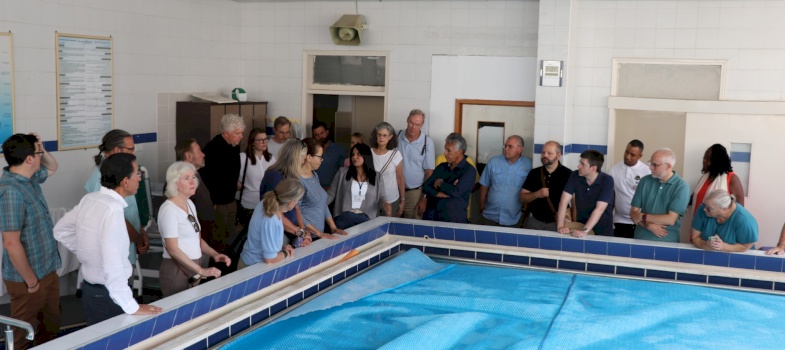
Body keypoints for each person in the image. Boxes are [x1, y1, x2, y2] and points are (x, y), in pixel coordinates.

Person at [54, 154, 162, 325]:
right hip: (110, 296)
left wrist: (89, 252)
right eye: (137, 174)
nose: (139, 179)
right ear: (125, 181)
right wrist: (131, 306)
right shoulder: (113, 210)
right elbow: (113, 264)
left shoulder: (90, 199)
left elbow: (60, 230)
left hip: (91, 291)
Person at [0, 133, 60, 349]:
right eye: (38, 153)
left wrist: (40, 147)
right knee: (24, 335)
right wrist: (31, 281)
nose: (41, 156)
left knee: (50, 329)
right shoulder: (11, 191)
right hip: (28, 279)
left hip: (47, 270)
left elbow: (53, 167)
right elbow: (11, 243)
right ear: (28, 159)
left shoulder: (29, 179)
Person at [158, 162, 231, 297]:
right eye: (186, 178)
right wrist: (201, 270)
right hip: (177, 269)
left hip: (193, 267)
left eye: (193, 177)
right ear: (175, 184)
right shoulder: (169, 210)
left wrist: (214, 254)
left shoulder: (189, 203)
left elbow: (196, 237)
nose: (193, 182)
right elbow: (172, 249)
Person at [85, 129, 150, 263]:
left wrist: (141, 232)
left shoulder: (120, 173)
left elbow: (129, 211)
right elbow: (117, 217)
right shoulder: (101, 178)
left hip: (128, 246)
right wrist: (138, 239)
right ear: (116, 150)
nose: (134, 153)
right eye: (130, 149)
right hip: (113, 254)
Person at [199, 114, 246, 251]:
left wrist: (236, 182)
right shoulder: (212, 149)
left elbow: (230, 171)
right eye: (237, 133)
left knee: (230, 236)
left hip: (230, 199)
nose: (241, 137)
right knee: (218, 238)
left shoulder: (234, 146)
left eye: (241, 133)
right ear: (226, 133)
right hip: (217, 203)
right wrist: (211, 203)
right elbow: (207, 179)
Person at [629, 148, 690, 243]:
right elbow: (633, 213)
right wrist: (648, 226)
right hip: (640, 240)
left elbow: (670, 219)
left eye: (655, 165)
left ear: (668, 166)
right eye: (650, 163)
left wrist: (643, 217)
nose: (650, 168)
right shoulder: (644, 181)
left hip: (667, 243)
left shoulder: (681, 187)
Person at [240, 179, 305, 267]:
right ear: (291, 202)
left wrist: (281, 249)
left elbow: (265, 240)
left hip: (251, 262)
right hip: (253, 267)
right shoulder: (271, 219)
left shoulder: (267, 203)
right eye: (298, 200)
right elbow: (270, 259)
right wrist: (286, 253)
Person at [328, 144, 391, 229]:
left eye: (358, 154)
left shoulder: (377, 176)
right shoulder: (342, 172)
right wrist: (319, 207)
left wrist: (385, 204)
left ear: (366, 156)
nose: (354, 157)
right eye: (353, 154)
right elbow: (331, 194)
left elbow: (382, 196)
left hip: (366, 219)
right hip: (344, 217)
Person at [259, 139, 310, 246]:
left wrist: (303, 232)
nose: (303, 162)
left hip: (291, 232)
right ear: (296, 158)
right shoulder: (275, 176)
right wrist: (299, 232)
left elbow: (296, 207)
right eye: (302, 159)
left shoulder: (290, 175)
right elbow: (275, 211)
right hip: (279, 232)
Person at [557, 150, 614, 237]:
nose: (578, 166)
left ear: (593, 168)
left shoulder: (607, 180)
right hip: (580, 226)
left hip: (602, 231)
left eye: (582, 164)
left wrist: (585, 231)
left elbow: (600, 209)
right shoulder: (575, 175)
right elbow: (563, 202)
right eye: (580, 162)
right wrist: (560, 226)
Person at [422, 133, 477, 223]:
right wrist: (442, 193)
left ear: (459, 152)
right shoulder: (442, 167)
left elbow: (455, 192)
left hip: (453, 221)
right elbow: (426, 187)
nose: (445, 153)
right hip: (431, 218)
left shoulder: (469, 171)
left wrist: (439, 183)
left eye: (448, 150)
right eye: (445, 149)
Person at [478, 135, 532, 227]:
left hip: (513, 218)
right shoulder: (494, 162)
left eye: (510, 146)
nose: (506, 149)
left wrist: (524, 212)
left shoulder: (528, 165)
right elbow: (484, 185)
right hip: (489, 216)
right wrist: (482, 207)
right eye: (505, 146)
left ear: (520, 149)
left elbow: (529, 190)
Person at [300, 138, 347, 239]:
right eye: (319, 156)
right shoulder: (298, 181)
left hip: (319, 235)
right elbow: (296, 214)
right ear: (309, 157)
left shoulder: (314, 175)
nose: (322, 160)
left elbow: (322, 203)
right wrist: (318, 233)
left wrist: (333, 228)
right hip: (307, 239)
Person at [520, 141, 572, 231]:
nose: (545, 155)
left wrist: (574, 222)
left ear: (558, 155)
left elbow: (574, 202)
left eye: (549, 153)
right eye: (543, 152)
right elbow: (522, 197)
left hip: (558, 224)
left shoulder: (568, 174)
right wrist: (537, 194)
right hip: (534, 221)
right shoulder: (534, 173)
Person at [175, 139, 216, 247]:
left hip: (203, 238)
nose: (203, 154)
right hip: (192, 242)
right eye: (199, 151)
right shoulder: (180, 180)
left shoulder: (195, 175)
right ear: (188, 156)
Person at [691, 190, 757, 252]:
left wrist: (723, 247)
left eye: (709, 208)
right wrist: (705, 245)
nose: (704, 209)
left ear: (724, 209)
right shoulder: (703, 209)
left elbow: (745, 247)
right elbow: (695, 237)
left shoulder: (745, 220)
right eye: (704, 205)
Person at [609, 140, 651, 238]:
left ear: (640, 156)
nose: (628, 157)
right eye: (626, 152)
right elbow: (611, 196)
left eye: (632, 155)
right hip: (619, 220)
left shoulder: (646, 172)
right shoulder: (613, 170)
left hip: (640, 222)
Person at [398, 109, 436, 219]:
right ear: (407, 120)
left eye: (417, 124)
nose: (413, 127)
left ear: (422, 125)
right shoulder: (396, 136)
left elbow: (429, 172)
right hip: (394, 191)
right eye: (411, 123)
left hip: (414, 192)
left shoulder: (427, 143)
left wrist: (424, 197)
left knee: (411, 226)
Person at [237, 128, 276, 227]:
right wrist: (239, 185)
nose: (264, 142)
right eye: (260, 140)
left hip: (267, 204)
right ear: (252, 142)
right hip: (249, 204)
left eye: (265, 139)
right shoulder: (243, 158)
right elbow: (230, 176)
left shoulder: (271, 159)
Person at [691, 144, 745, 213]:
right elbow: (695, 196)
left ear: (718, 160)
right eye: (704, 158)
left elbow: (740, 209)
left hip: (718, 223)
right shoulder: (705, 177)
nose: (704, 161)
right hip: (698, 221)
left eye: (708, 158)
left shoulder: (732, 178)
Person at [371, 122, 405, 217]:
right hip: (373, 199)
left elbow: (400, 177)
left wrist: (402, 200)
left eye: (385, 135)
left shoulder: (395, 154)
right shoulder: (369, 153)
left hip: (391, 199)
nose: (381, 138)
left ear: (390, 137)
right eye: (379, 135)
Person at [312, 121, 346, 190]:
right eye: (316, 135)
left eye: (322, 133)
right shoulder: (311, 151)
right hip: (313, 190)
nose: (320, 137)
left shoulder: (338, 150)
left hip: (332, 190)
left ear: (327, 132)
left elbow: (343, 172)